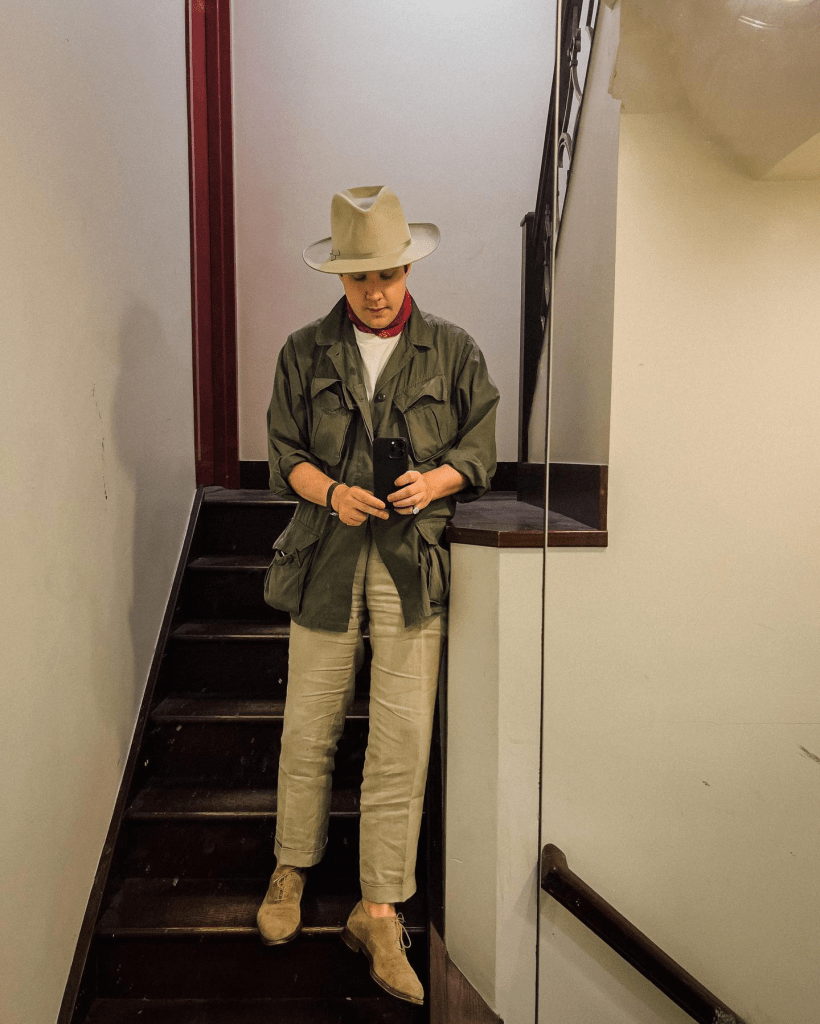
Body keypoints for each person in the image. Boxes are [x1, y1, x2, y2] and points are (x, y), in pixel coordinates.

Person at [257, 185, 498, 1005]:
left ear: (407, 268)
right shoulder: (303, 352)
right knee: (308, 727)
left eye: (387, 273)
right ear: (341, 277)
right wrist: (330, 492)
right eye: (360, 277)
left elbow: (480, 449)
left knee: (402, 739)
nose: (376, 291)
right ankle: (290, 869)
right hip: (324, 560)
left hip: (410, 565)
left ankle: (380, 909)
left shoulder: (454, 352)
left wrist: (434, 481)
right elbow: (283, 454)